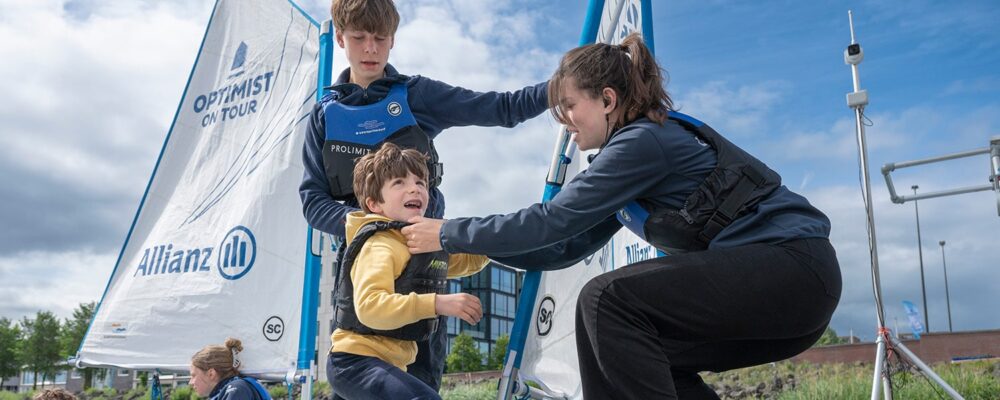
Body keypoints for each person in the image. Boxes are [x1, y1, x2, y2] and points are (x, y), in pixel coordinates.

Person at [402, 33, 842, 399]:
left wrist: (449, 232)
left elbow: (550, 220)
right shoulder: (625, 172)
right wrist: (466, 254)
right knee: (640, 351)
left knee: (606, 300)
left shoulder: (642, 142)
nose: (566, 123)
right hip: (784, 296)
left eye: (570, 107)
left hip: (794, 270)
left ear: (608, 99)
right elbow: (559, 247)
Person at [298, 0, 548, 392]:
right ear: (342, 37)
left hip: (424, 271)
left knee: (420, 385)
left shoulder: (417, 95)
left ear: (393, 40)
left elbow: (501, 108)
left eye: (380, 39)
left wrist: (560, 88)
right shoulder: (323, 117)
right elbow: (313, 200)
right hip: (366, 273)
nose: (370, 49)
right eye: (359, 38)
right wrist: (369, 227)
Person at [328, 143, 487, 400]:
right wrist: (437, 303)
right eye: (399, 182)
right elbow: (370, 307)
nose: (414, 187)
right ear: (374, 204)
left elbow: (466, 261)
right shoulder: (379, 245)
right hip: (355, 361)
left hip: (388, 364)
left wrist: (495, 241)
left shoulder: (418, 244)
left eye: (421, 182)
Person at [189, 338, 271, 400]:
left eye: (193, 375)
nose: (190, 382)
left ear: (211, 374)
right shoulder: (234, 389)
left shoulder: (236, 390)